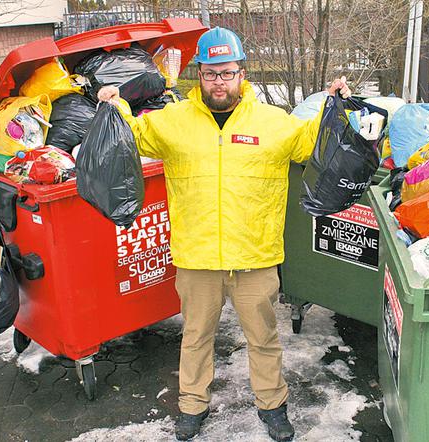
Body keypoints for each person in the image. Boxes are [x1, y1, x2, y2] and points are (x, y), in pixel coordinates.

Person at [98, 27, 350, 441]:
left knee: (264, 339)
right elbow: (133, 138)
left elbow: (311, 144)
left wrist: (332, 106)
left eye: (228, 72)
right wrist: (115, 106)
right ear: (199, 74)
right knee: (196, 339)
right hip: (197, 258)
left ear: (242, 73)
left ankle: (272, 406)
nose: (220, 81)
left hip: (254, 256)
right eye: (211, 73)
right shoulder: (174, 122)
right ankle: (192, 407)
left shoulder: (273, 123)